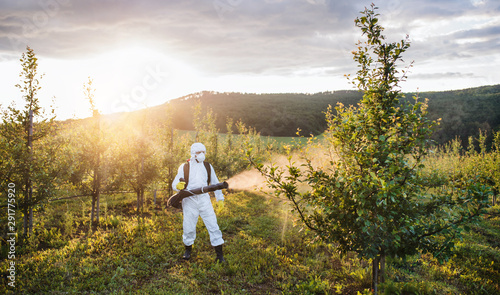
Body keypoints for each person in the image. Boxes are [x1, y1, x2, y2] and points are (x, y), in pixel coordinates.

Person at [172, 142, 226, 263]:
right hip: (189, 201)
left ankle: (219, 255)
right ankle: (188, 250)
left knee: (213, 225)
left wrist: (220, 199)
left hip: (204, 200)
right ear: (193, 154)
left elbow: (215, 183)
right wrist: (177, 185)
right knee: (189, 227)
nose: (201, 155)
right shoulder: (184, 167)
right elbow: (175, 183)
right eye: (198, 152)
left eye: (203, 152)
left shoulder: (207, 166)